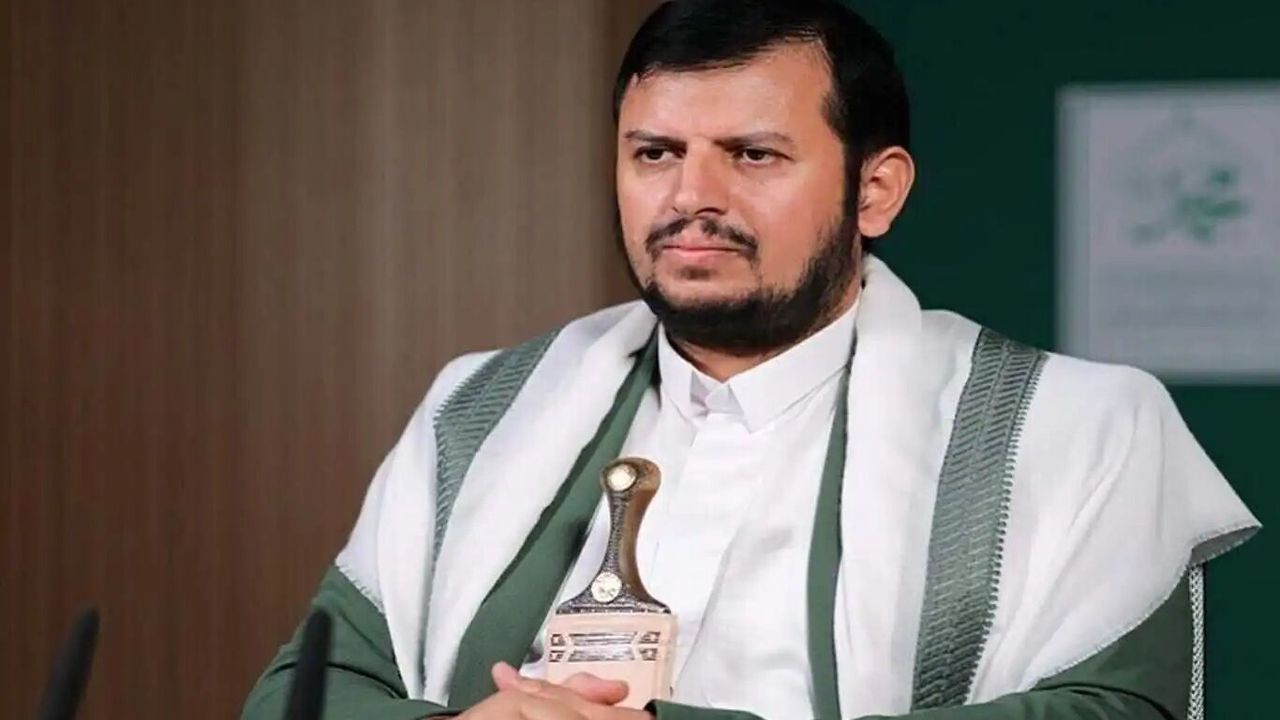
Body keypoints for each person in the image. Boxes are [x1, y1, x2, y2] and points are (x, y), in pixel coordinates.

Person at [242, 1, 1258, 718]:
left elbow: (1112, 710)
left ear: (875, 192)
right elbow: (306, 693)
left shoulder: (1077, 426)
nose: (692, 198)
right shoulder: (481, 406)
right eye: (655, 154)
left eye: (753, 155)